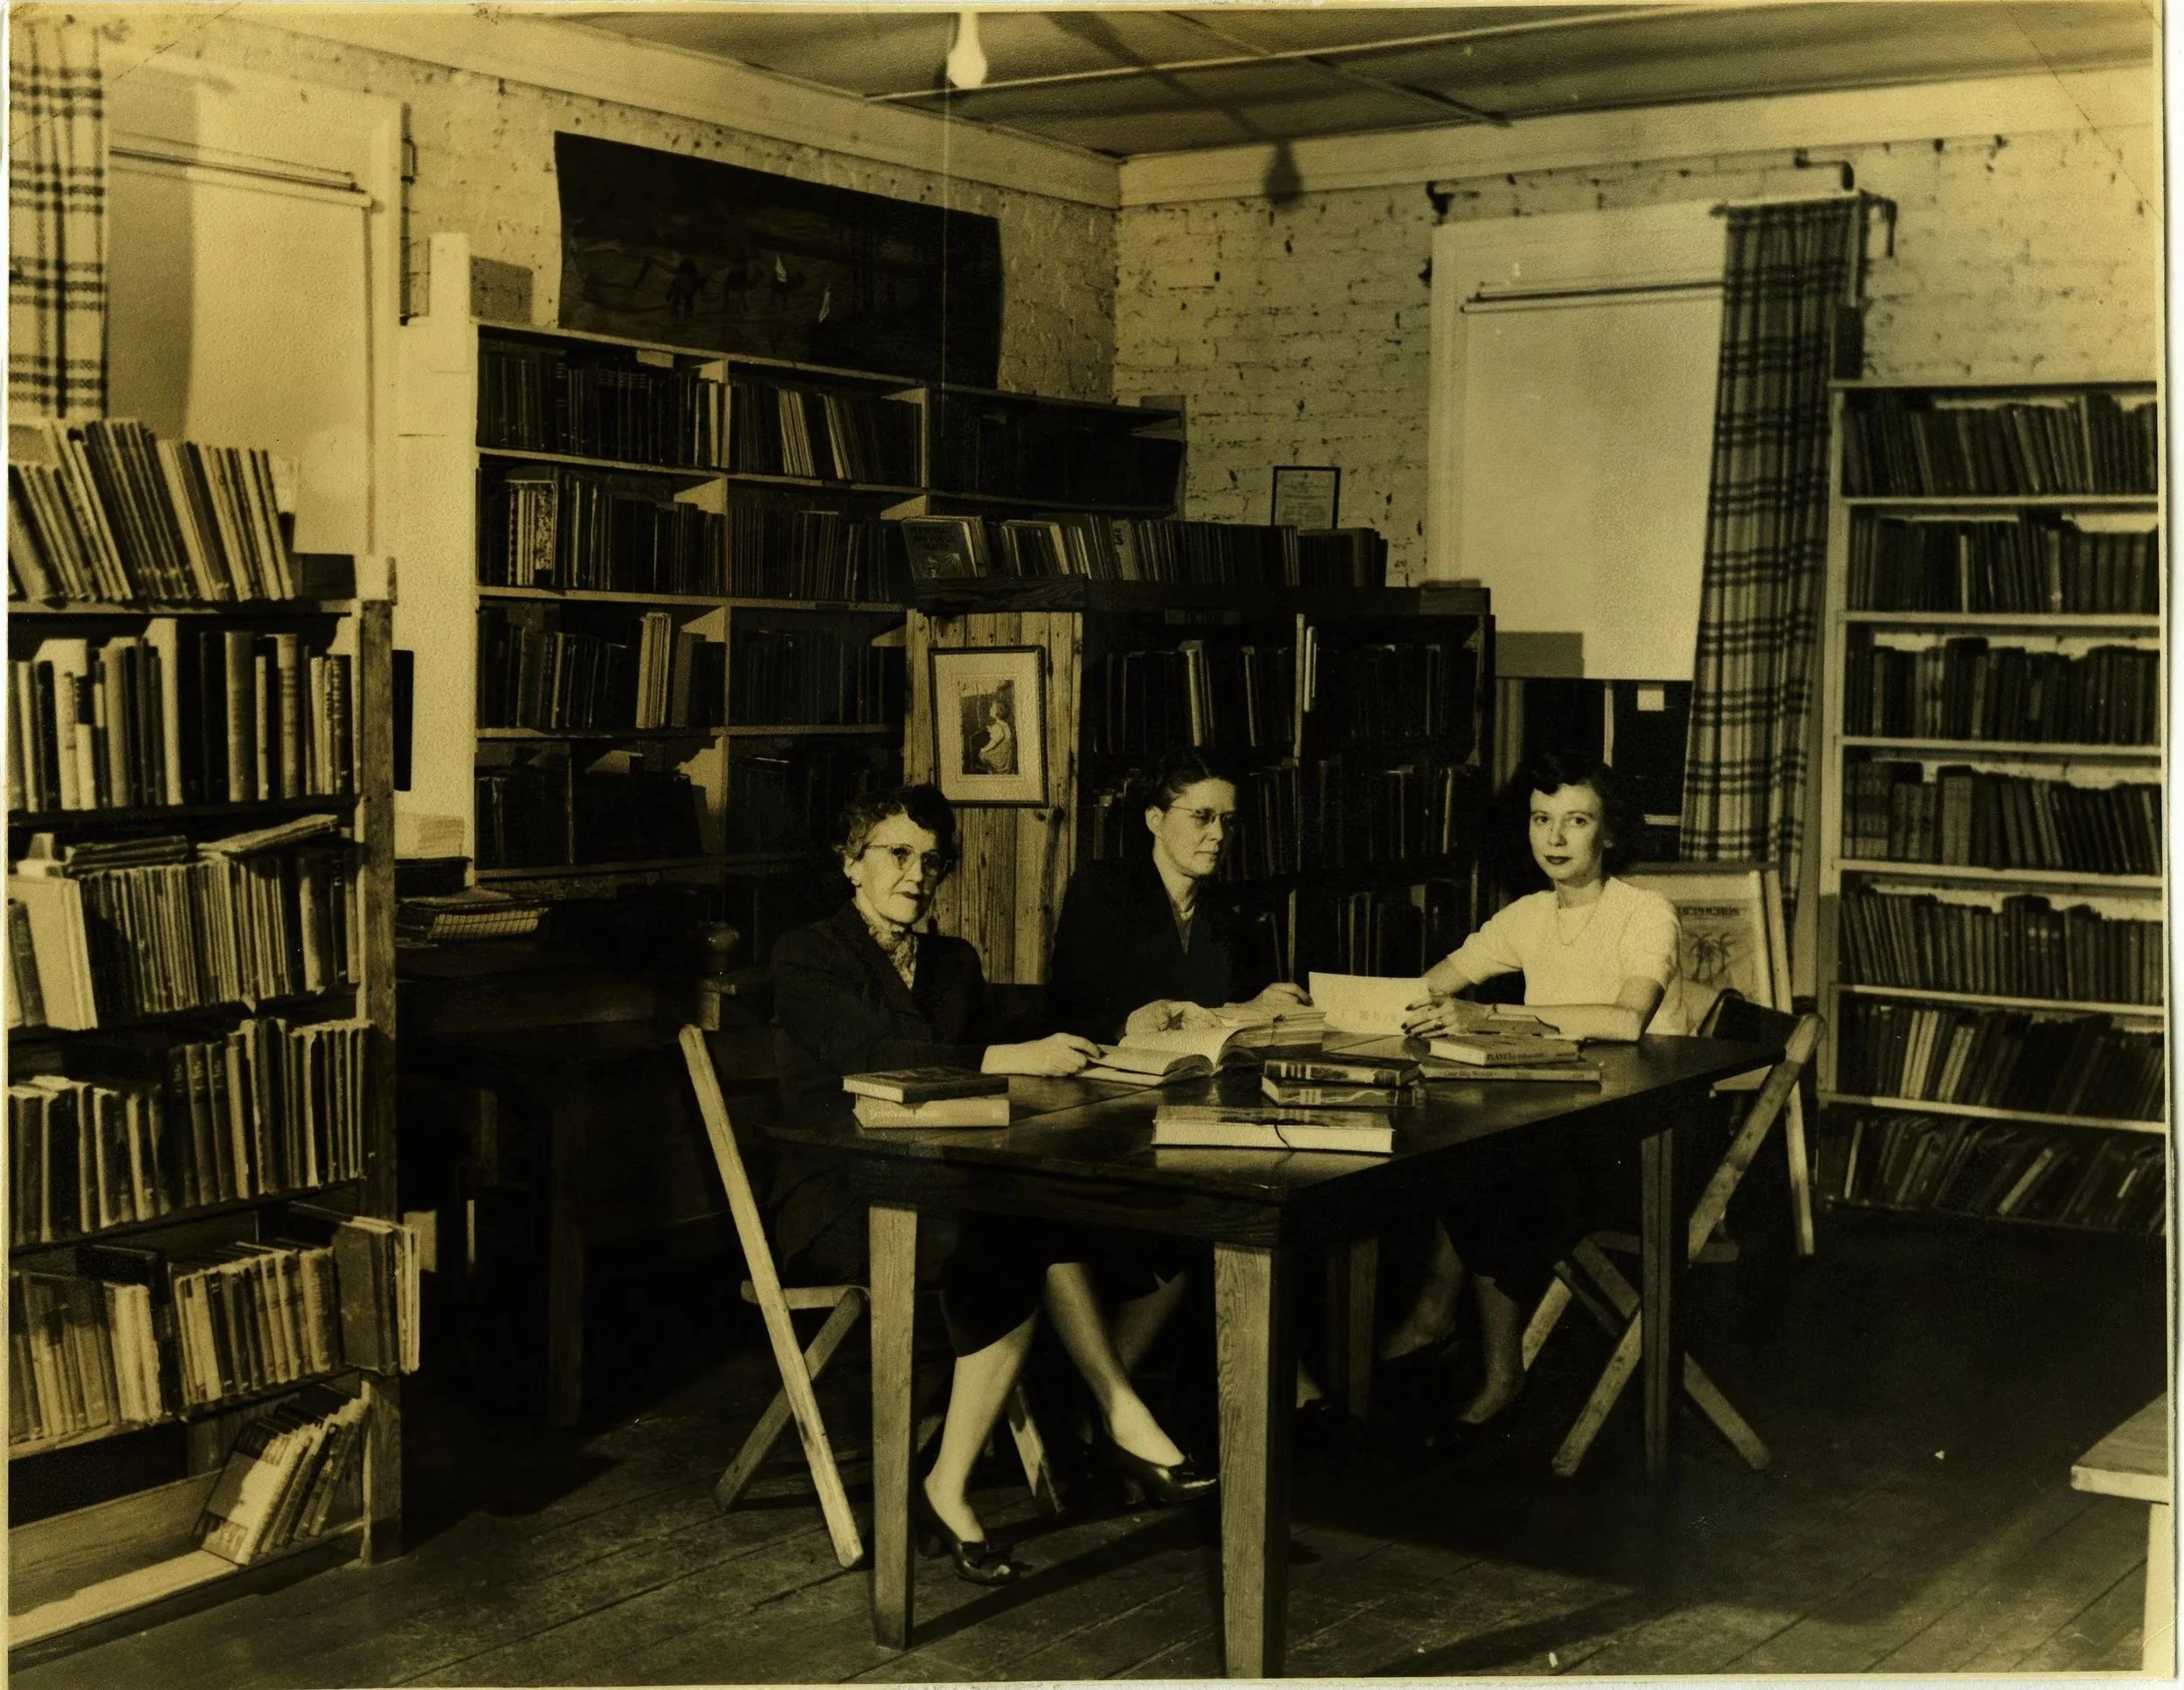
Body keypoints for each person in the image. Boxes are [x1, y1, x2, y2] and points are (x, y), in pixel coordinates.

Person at [771, 783, 1211, 1585]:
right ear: (849, 862)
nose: (916, 875)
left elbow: (989, 1043)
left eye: (930, 861)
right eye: (897, 854)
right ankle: (1116, 1417)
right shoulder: (807, 954)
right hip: (836, 1197)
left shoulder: (952, 962)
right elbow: (872, 1049)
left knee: (1036, 1224)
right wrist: (1008, 1058)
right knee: (1012, 1236)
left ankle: (966, 1476)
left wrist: (1122, 1032)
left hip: (938, 1185)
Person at [1392, 750, 1684, 1451]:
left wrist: (1487, 1020)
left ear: (1608, 833)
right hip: (1556, 1119)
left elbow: (1624, 1021)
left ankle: (1488, 1358)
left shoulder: (1646, 912)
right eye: (1541, 819)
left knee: (1491, 1166)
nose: (1554, 838)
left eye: (1576, 821)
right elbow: (1426, 988)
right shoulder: (1526, 915)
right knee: (1464, 1148)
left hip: (1641, 1138)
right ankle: (1446, 1321)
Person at [1047, 744, 1322, 1411]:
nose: (1218, 835)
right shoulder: (1102, 889)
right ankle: (1117, 1405)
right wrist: (1236, 1009)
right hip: (1093, 1120)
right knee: (1211, 1217)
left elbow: (1223, 1031)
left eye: (1228, 820)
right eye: (1201, 817)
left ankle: (1112, 1407)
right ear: (1152, 819)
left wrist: (1273, 1017)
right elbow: (1109, 1013)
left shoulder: (1228, 917)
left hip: (1188, 1115)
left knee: (1260, 1198)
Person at [975, 696, 1015, 775]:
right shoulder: (1004, 724)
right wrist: (992, 729)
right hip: (1009, 754)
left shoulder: (997, 726)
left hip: (1003, 759)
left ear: (998, 713)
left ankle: (992, 771)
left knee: (982, 754)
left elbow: (994, 742)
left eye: (992, 708)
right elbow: (1002, 735)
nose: (990, 709)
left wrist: (984, 749)